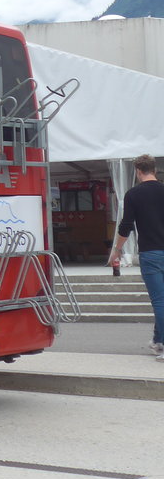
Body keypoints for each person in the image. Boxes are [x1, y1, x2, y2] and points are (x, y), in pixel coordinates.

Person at [107, 153, 164, 360]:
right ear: (154, 170)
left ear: (138, 172)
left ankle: (163, 344)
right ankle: (158, 341)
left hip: (150, 253)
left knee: (159, 301)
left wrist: (117, 249)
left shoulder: (133, 194)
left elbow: (126, 226)